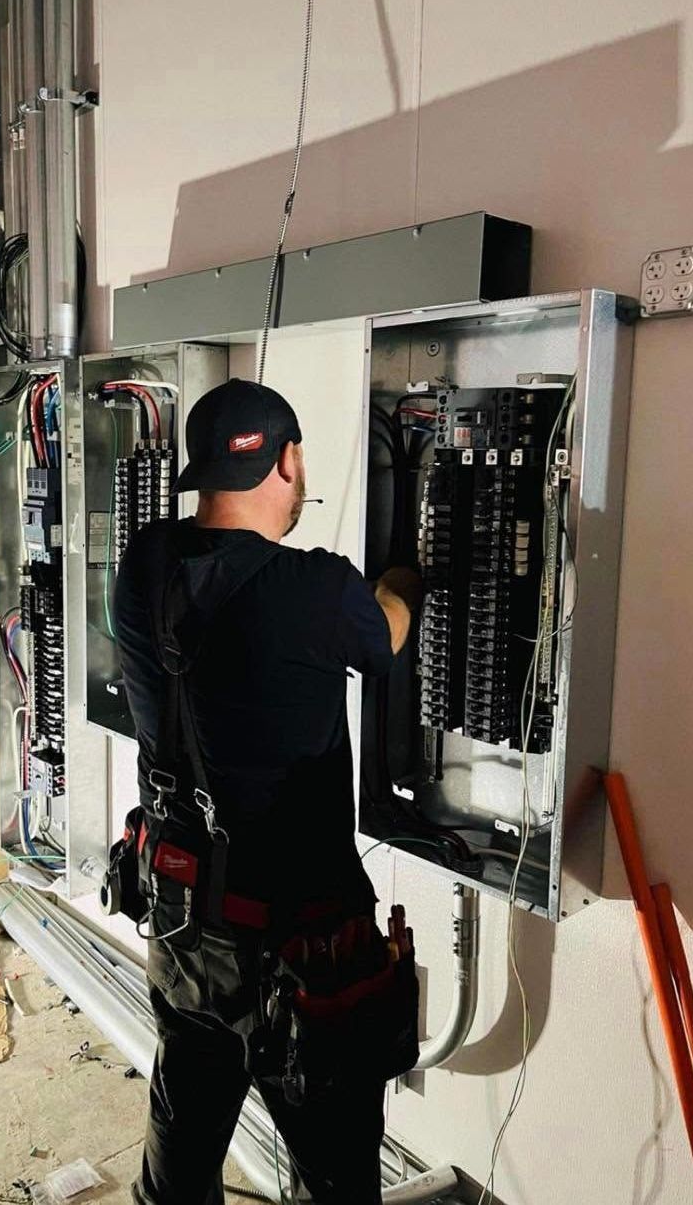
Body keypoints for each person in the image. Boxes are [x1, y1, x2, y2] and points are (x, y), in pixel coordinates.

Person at [114, 379, 420, 1205]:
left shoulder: (143, 563)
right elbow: (384, 632)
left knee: (180, 1156)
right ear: (288, 460)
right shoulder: (313, 590)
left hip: (183, 924)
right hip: (300, 949)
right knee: (335, 1170)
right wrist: (402, 577)